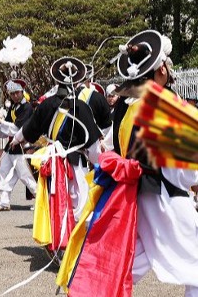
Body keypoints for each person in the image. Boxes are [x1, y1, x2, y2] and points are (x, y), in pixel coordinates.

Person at [58, 30, 198, 296]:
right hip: (164, 197)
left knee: (135, 258)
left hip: (134, 194)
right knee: (194, 261)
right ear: (161, 71)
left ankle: (90, 288)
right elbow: (183, 167)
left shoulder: (123, 104)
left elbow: (110, 146)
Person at [13, 57, 102, 254]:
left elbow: (28, 130)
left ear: (57, 81)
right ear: (77, 81)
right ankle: (75, 249)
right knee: (79, 204)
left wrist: (15, 140)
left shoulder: (46, 105)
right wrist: (98, 163)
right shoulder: (82, 108)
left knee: (56, 202)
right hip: (75, 163)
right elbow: (94, 147)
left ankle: (60, 245)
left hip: (52, 162)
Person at [0, 79, 37, 212]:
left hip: (22, 146)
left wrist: (0, 121)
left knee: (25, 176)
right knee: (4, 173)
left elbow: (17, 129)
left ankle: (41, 200)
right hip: (11, 146)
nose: (15, 96)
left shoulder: (27, 108)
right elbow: (6, 129)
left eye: (17, 93)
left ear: (22, 92)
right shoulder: (13, 108)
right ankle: (4, 202)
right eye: (12, 94)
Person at [77, 64, 112, 135]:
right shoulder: (99, 97)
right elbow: (107, 125)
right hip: (95, 142)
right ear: (89, 79)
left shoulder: (68, 97)